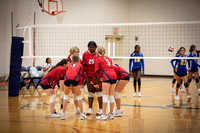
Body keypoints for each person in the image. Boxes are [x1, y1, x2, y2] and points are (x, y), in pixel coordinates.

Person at [91, 46, 117, 120]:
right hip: (114, 76)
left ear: (97, 52)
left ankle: (104, 115)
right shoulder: (108, 58)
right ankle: (111, 114)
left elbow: (95, 72)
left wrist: (93, 80)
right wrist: (101, 76)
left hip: (107, 76)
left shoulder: (98, 59)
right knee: (111, 96)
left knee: (105, 96)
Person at [60, 55, 87, 120]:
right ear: (78, 60)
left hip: (66, 80)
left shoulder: (68, 65)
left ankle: (62, 114)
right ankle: (82, 115)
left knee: (65, 97)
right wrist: (80, 84)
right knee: (79, 97)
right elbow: (81, 75)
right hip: (75, 80)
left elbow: (67, 73)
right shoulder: (80, 65)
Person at [82, 41, 103, 115]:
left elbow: (101, 65)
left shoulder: (98, 54)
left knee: (99, 92)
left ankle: (101, 109)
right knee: (90, 93)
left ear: (95, 47)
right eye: (90, 47)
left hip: (98, 77)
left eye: (93, 47)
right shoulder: (85, 54)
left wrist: (100, 77)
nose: (91, 49)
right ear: (88, 47)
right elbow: (84, 66)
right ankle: (90, 109)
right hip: (89, 77)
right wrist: (86, 78)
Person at [60, 46, 80, 114]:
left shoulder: (78, 60)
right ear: (72, 52)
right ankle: (61, 109)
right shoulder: (68, 60)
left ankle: (77, 108)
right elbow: (66, 71)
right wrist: (69, 82)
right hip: (65, 78)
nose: (78, 53)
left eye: (78, 52)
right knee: (64, 94)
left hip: (73, 79)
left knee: (75, 94)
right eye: (76, 52)